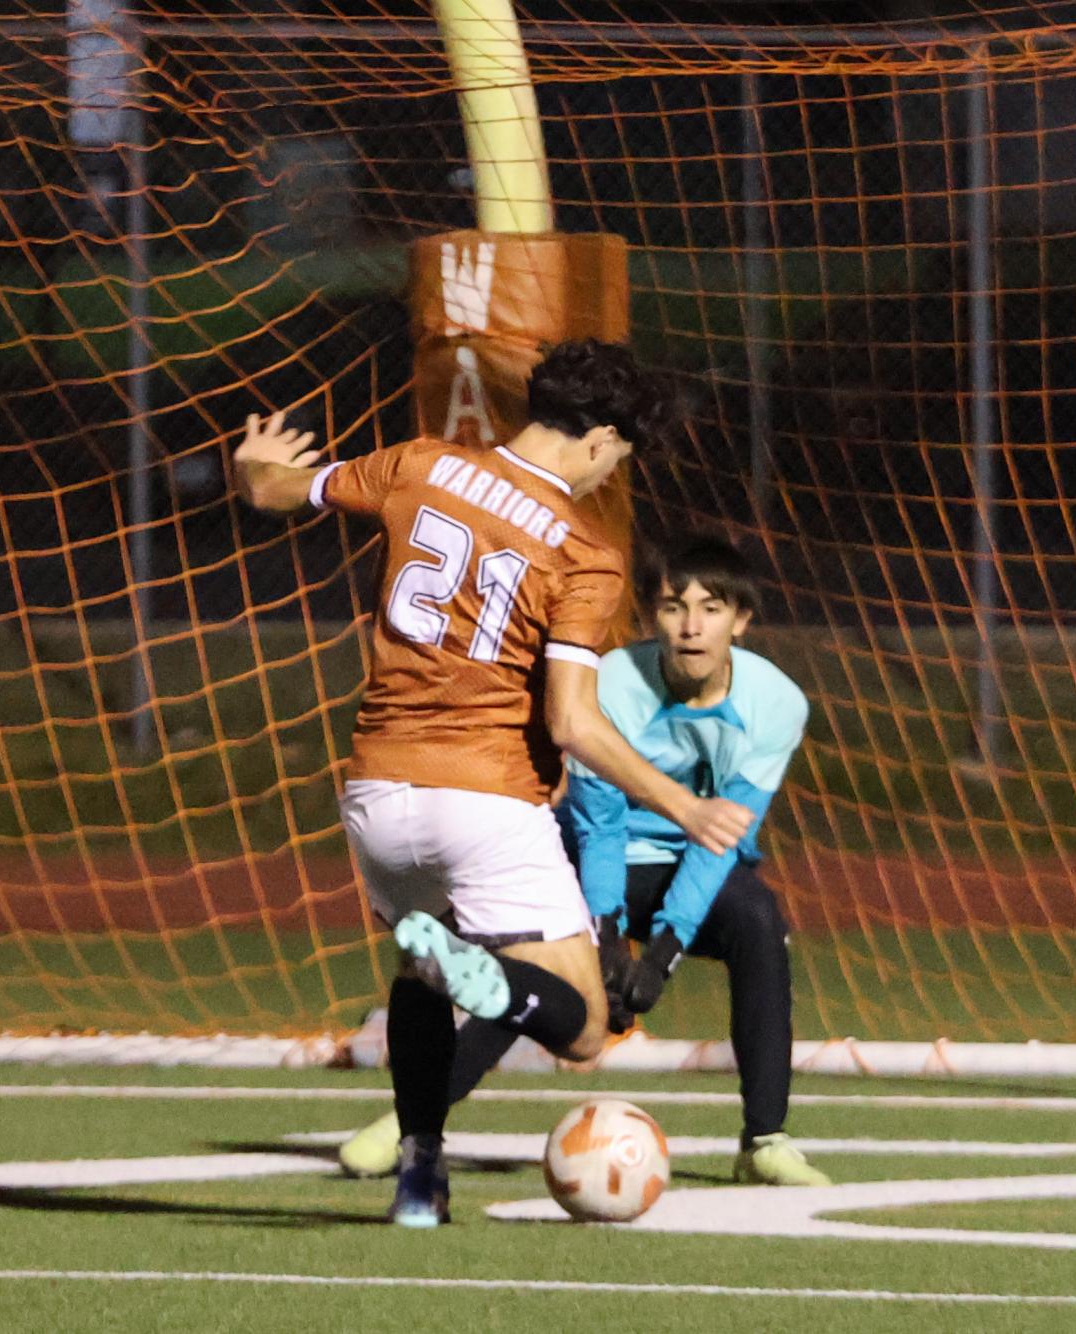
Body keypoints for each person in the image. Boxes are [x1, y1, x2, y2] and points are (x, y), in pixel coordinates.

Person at [233, 340, 753, 1226]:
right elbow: (572, 723)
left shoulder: (419, 464)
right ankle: (498, 985)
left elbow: (275, 490)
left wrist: (252, 466)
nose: (612, 473)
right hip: (484, 801)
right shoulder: (584, 554)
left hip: (375, 797)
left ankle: (419, 1176)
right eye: (619, 456)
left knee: (424, 974)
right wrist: (682, 804)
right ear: (598, 439)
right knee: (585, 1027)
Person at [338, 535, 829, 1187]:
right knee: (535, 975)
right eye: (673, 606)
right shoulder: (615, 684)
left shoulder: (777, 704)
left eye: (711, 608)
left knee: (759, 922)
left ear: (740, 621)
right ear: (653, 616)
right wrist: (603, 942)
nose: (690, 625)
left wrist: (661, 954)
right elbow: (601, 827)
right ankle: (411, 1125)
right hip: (595, 860)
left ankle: (764, 1139)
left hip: (689, 868)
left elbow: (721, 838)